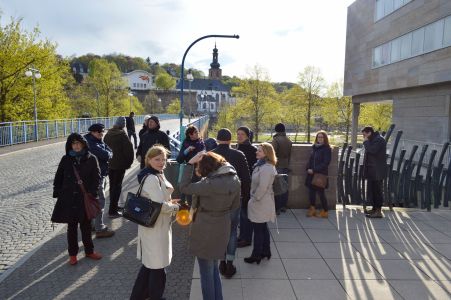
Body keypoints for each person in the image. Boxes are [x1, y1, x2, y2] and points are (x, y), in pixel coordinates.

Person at [179, 151, 240, 300]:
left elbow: (184, 187)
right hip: (223, 225)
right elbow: (235, 205)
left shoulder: (208, 184)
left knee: (206, 272)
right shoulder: (234, 178)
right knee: (213, 269)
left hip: (206, 226)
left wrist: (189, 164)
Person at [130, 145, 180, 300]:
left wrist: (170, 200)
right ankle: (155, 296)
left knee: (150, 265)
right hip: (156, 227)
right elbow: (159, 205)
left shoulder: (157, 173)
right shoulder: (151, 177)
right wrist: (175, 207)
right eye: (157, 159)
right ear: (149, 159)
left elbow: (158, 199)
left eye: (164, 159)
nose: (161, 162)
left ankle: (138, 296)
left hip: (155, 226)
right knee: (157, 266)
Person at [51, 133, 102, 265]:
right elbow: (58, 177)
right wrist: (57, 191)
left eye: (79, 143)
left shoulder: (92, 158)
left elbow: (97, 178)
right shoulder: (66, 159)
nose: (77, 146)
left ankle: (89, 251)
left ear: (84, 144)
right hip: (69, 199)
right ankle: (72, 255)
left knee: (86, 227)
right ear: (70, 146)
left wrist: (92, 193)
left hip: (84, 199)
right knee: (72, 228)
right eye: (74, 143)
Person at [212, 128, 251, 278]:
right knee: (233, 231)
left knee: (220, 231)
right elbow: (246, 179)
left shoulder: (211, 154)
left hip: (215, 200)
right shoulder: (239, 154)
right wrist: (246, 197)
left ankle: (221, 260)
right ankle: (230, 263)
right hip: (235, 199)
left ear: (217, 139)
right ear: (230, 140)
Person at [246, 143, 277, 264]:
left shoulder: (267, 168)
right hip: (261, 202)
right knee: (263, 228)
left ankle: (256, 255)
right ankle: (266, 251)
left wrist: (254, 198)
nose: (256, 152)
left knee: (258, 230)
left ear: (266, 154)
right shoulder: (262, 165)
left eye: (259, 151)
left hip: (261, 202)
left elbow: (263, 187)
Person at [84, 123, 115, 238]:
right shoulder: (91, 143)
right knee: (99, 202)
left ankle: (93, 224)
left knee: (94, 201)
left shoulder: (96, 140)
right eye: (99, 132)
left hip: (99, 175)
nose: (102, 134)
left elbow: (109, 150)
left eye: (102, 132)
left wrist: (109, 153)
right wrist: (109, 154)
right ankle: (99, 228)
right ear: (92, 132)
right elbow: (106, 155)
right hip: (96, 177)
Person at [104, 116, 134, 218]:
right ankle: (112, 211)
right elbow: (129, 152)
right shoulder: (122, 135)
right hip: (120, 166)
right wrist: (128, 164)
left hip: (110, 165)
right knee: (117, 188)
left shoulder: (108, 134)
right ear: (123, 125)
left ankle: (114, 206)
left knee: (112, 187)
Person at [236, 126, 257, 248]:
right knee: (242, 214)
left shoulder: (251, 149)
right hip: (241, 185)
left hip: (247, 186)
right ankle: (242, 236)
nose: (239, 136)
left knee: (245, 214)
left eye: (242, 134)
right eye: (238, 134)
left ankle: (246, 239)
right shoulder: (240, 147)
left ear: (247, 136)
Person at [362, 126, 387, 218]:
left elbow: (372, 150)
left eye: (365, 135)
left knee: (377, 191)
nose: (364, 137)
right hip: (373, 170)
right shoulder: (374, 139)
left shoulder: (379, 140)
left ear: (369, 133)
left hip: (377, 170)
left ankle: (378, 211)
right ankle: (374, 209)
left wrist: (365, 142)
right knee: (372, 190)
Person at [306, 131, 332, 218]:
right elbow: (310, 160)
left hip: (320, 174)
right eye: (318, 137)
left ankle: (325, 211)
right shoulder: (314, 147)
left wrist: (314, 170)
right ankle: (312, 209)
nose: (320, 139)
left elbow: (326, 163)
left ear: (325, 138)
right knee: (311, 192)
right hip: (311, 174)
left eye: (321, 137)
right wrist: (308, 168)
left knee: (321, 193)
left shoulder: (327, 148)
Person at [176, 125, 205, 206]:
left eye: (197, 132)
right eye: (195, 132)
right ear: (190, 135)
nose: (198, 133)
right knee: (188, 188)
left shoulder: (200, 142)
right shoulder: (186, 143)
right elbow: (179, 159)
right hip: (189, 169)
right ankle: (187, 204)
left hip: (200, 170)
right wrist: (187, 150)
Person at [271, 123, 292, 214]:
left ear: (276, 130)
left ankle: (277, 208)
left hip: (277, 165)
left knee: (277, 187)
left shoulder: (275, 140)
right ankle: (284, 206)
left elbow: (272, 153)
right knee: (285, 187)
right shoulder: (288, 140)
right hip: (286, 165)